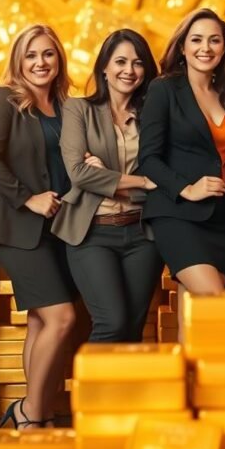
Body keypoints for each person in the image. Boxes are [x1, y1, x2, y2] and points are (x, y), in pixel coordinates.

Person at [0, 24, 78, 429]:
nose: (40, 63)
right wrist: (27, 198)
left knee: (40, 320)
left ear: (59, 59)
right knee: (62, 317)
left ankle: (37, 409)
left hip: (59, 229)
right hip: (19, 228)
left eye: (48, 54)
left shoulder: (68, 106)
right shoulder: (4, 101)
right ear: (19, 61)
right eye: (31, 55)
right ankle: (30, 412)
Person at [54, 29, 163, 343]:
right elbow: (78, 173)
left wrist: (107, 178)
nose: (129, 70)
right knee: (111, 323)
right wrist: (141, 180)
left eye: (138, 63)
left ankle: (122, 393)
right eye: (120, 61)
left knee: (132, 328)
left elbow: (164, 181)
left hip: (142, 234)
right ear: (104, 67)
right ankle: (90, 393)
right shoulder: (79, 110)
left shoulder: (152, 116)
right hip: (91, 233)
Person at [138, 10, 225, 296]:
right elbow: (148, 158)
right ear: (183, 47)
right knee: (213, 298)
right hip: (178, 214)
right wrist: (187, 189)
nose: (205, 48)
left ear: (224, 47)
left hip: (222, 216)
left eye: (214, 40)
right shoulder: (164, 89)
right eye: (196, 40)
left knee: (194, 317)